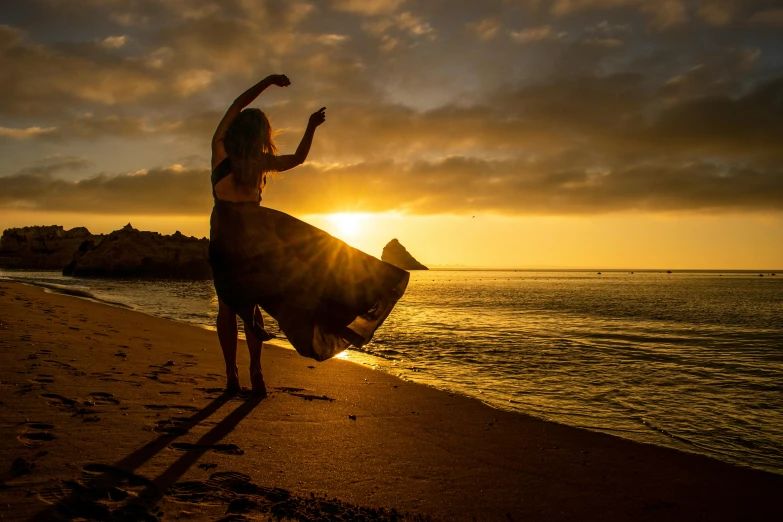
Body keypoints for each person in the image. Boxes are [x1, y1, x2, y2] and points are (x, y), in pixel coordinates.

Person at [209, 74, 409, 396]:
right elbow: (299, 158)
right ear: (261, 137)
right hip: (258, 241)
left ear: (235, 132)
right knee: (257, 303)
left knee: (228, 307)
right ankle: (256, 372)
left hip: (223, 239)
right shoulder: (260, 163)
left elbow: (236, 104)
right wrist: (311, 126)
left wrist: (268, 82)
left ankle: (232, 376)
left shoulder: (219, 151)